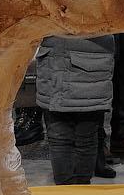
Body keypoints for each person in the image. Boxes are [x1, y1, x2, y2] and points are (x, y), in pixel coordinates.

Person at [36, 34, 116, 185]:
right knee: (87, 137)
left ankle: (66, 188)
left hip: (56, 58)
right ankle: (82, 188)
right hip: (96, 59)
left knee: (59, 138)